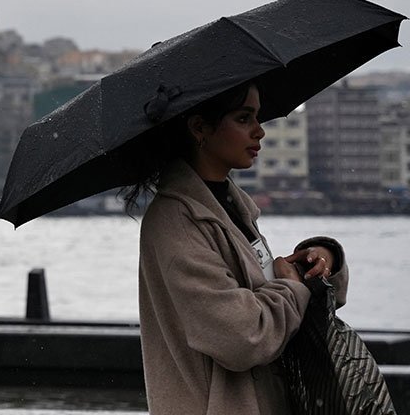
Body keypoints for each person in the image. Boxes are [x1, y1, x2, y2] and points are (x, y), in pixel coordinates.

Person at [130, 82, 348, 414]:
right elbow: (242, 337)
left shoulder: (230, 206)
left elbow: (262, 295)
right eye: (244, 119)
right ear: (200, 128)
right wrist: (292, 287)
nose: (259, 131)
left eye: (257, 117)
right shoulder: (176, 220)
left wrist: (319, 261)